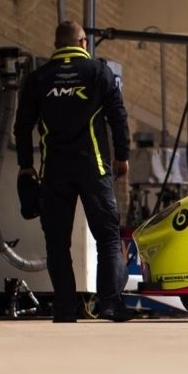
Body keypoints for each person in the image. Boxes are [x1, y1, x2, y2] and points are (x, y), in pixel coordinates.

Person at [14, 20, 132, 322]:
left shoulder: (39, 78)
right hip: (94, 168)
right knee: (106, 237)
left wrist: (26, 166)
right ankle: (109, 304)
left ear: (57, 45)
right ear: (82, 43)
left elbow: (22, 126)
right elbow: (118, 117)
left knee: (57, 241)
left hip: (54, 170)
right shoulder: (98, 71)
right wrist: (122, 156)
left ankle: (65, 308)